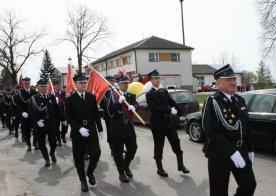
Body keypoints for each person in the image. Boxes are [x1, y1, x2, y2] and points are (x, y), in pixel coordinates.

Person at [202, 64, 256, 196]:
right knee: (219, 191)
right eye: (229, 80)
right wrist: (231, 152)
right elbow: (211, 131)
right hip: (220, 154)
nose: (233, 82)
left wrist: (250, 148)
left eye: (234, 79)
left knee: (249, 185)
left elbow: (245, 126)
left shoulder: (240, 100)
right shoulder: (213, 101)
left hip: (241, 150)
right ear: (219, 84)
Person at [146, 69, 189, 177]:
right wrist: (169, 110)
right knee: (159, 146)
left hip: (168, 123)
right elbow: (155, 109)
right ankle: (159, 168)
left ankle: (181, 165)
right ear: (151, 80)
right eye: (155, 78)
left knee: (176, 143)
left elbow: (172, 102)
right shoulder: (149, 94)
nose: (158, 80)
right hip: (157, 123)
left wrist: (181, 113)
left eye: (158, 78)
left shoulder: (164, 91)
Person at [65, 73, 104, 192]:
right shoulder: (70, 99)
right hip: (78, 132)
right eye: (81, 83)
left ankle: (90, 172)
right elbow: (68, 117)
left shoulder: (91, 97)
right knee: (78, 157)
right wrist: (79, 128)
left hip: (91, 129)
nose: (83, 84)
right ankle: (83, 180)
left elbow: (96, 115)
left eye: (85, 82)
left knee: (96, 153)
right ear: (75, 84)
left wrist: (100, 129)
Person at [108, 74, 139, 183]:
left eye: (127, 83)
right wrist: (119, 103)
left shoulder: (131, 95)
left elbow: (136, 104)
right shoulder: (113, 95)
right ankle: (121, 172)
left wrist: (134, 106)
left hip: (129, 127)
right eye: (123, 83)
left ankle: (126, 166)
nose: (126, 85)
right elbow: (110, 112)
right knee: (118, 152)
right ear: (119, 84)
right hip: (117, 128)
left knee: (133, 148)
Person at [29, 79, 60, 167]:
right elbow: (31, 111)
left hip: (51, 123)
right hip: (39, 124)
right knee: (41, 143)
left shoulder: (52, 97)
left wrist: (64, 118)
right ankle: (46, 158)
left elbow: (57, 110)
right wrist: (37, 120)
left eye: (45, 86)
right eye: (42, 86)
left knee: (53, 141)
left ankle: (52, 153)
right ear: (37, 88)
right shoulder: (34, 98)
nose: (44, 88)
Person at [17, 77, 37, 150]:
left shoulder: (34, 92)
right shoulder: (20, 92)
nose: (27, 84)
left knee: (36, 130)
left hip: (33, 114)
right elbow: (18, 104)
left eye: (28, 83)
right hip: (25, 114)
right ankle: (29, 145)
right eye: (26, 83)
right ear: (23, 83)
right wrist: (22, 112)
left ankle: (35, 143)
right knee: (27, 130)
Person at [100, 75, 116, 155]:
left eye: (113, 81)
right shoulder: (104, 92)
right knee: (110, 132)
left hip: (117, 116)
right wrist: (109, 107)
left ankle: (119, 147)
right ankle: (112, 148)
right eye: (110, 81)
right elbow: (102, 104)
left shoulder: (116, 90)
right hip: (108, 116)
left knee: (118, 132)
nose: (112, 82)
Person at [53, 80, 68, 145]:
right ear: (54, 86)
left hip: (64, 113)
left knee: (65, 126)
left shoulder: (65, 93)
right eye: (57, 85)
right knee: (56, 127)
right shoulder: (52, 94)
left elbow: (67, 103)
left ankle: (63, 135)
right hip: (56, 114)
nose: (58, 86)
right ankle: (58, 139)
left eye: (59, 85)